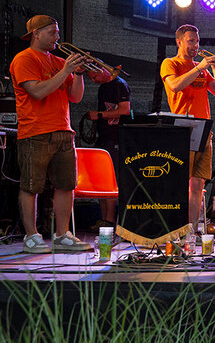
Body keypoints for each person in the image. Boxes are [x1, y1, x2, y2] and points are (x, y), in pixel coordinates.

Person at [10, 15, 92, 253]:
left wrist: (77, 74)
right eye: (52, 32)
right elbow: (37, 92)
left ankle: (62, 235)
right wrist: (66, 68)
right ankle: (31, 236)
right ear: (36, 34)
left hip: (64, 130)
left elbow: (75, 97)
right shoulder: (24, 58)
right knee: (31, 185)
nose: (57, 37)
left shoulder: (58, 61)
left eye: (57, 32)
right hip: (35, 131)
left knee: (66, 185)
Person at [160, 25, 215, 246]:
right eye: (191, 41)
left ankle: (192, 230)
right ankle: (176, 228)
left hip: (204, 130)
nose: (195, 46)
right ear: (179, 42)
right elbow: (175, 85)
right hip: (183, 129)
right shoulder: (171, 63)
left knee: (197, 184)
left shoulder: (201, 66)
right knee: (180, 183)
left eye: (197, 41)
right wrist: (200, 69)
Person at [86, 68, 130, 230]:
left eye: (95, 75)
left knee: (110, 179)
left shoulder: (120, 85)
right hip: (104, 137)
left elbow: (125, 110)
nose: (93, 80)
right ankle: (104, 219)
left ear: (102, 70)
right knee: (101, 180)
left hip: (115, 138)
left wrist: (99, 115)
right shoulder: (103, 87)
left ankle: (109, 220)